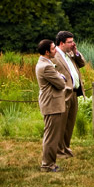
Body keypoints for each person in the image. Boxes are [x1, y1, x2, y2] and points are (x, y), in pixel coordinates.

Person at [35, 39, 67, 172]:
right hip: (51, 104)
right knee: (51, 136)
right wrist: (61, 77)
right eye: (53, 48)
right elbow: (61, 83)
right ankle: (47, 165)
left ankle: (51, 163)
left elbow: (59, 77)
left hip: (52, 103)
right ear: (47, 52)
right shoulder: (46, 66)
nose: (56, 50)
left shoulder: (46, 63)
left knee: (53, 135)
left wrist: (60, 76)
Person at [54, 30, 86, 158]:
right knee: (61, 124)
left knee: (69, 124)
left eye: (73, 41)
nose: (73, 44)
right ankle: (58, 150)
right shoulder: (54, 55)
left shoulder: (70, 53)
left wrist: (76, 51)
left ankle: (66, 147)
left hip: (74, 93)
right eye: (70, 42)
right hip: (63, 94)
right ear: (62, 43)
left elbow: (82, 63)